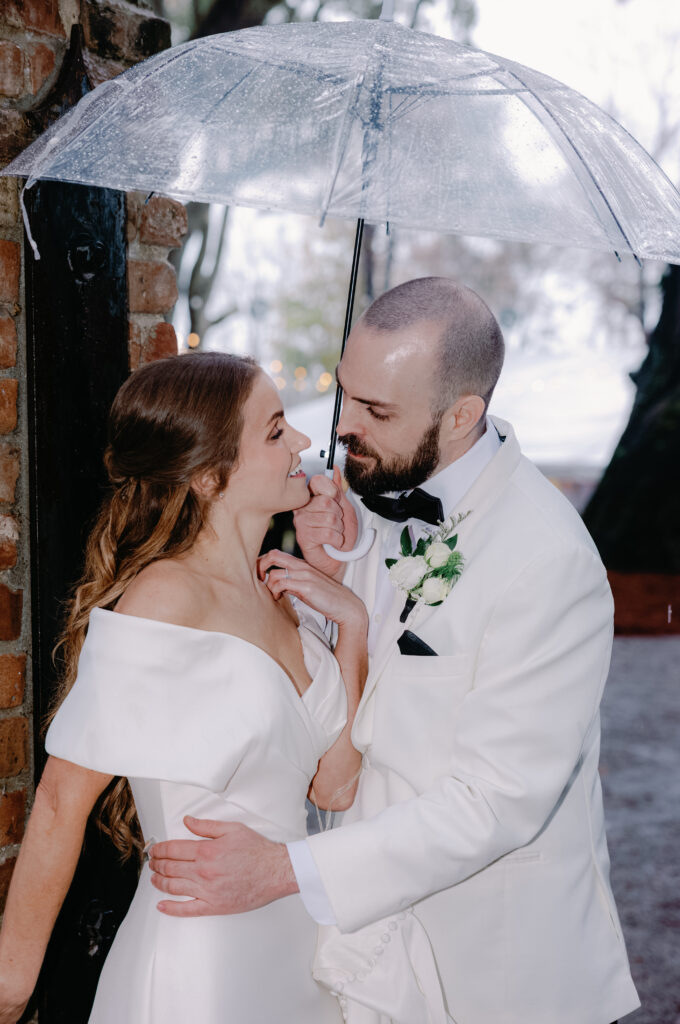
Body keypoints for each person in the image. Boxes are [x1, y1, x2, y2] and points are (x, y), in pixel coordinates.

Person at [149, 279, 641, 1024]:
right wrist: (336, 571)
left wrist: (284, 869)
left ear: (461, 415)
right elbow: (364, 691)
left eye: (376, 411)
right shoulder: (380, 499)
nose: (344, 425)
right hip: (370, 954)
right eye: (346, 392)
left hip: (492, 972)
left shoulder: (549, 561)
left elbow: (493, 802)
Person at [0, 352, 369, 1024]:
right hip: (201, 959)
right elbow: (59, 802)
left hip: (293, 942)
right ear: (208, 475)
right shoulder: (165, 596)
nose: (301, 442)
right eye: (275, 430)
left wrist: (352, 624)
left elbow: (334, 787)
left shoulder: (281, 594)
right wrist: (11, 986)